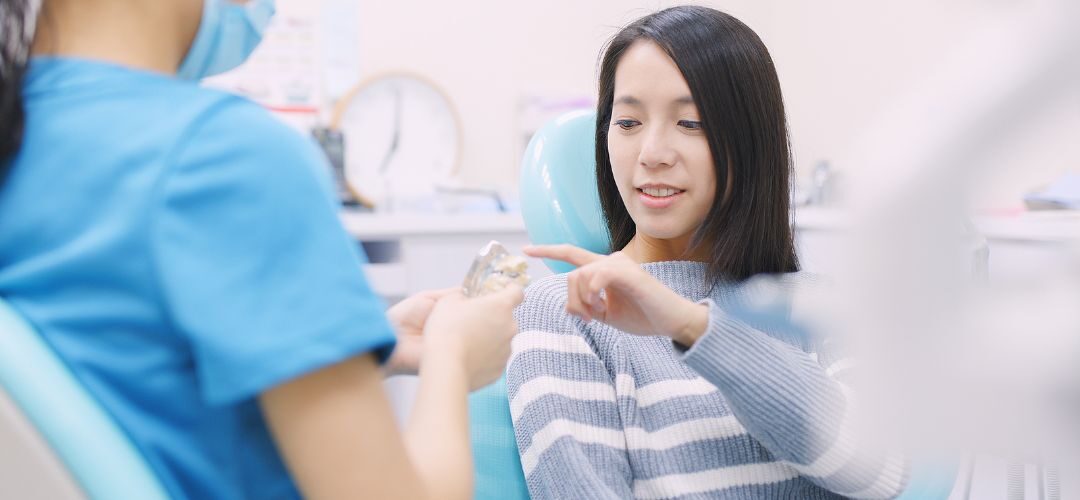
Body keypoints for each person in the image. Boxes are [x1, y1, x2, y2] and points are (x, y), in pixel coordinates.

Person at [0, 0, 522, 498]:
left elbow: (127, 375)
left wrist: (356, 355)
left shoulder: (24, 132)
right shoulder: (223, 156)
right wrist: (452, 359)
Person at [508, 6, 909, 499]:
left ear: (749, 140)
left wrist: (692, 327)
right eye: (628, 121)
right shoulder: (568, 312)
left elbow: (881, 473)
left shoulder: (818, 306)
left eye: (691, 123)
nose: (652, 152)